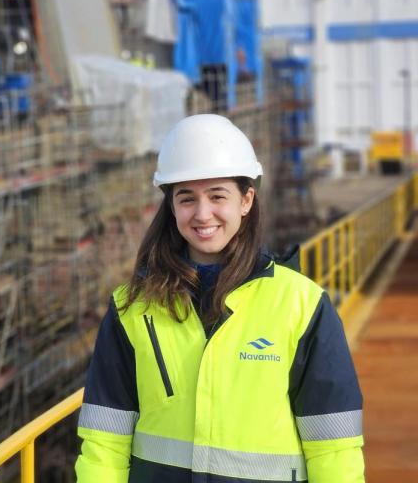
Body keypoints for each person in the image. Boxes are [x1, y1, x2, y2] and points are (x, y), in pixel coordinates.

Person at [74, 114, 364, 482]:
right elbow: (103, 443)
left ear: (246, 200)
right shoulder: (132, 309)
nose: (202, 213)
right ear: (172, 206)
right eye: (186, 198)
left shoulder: (301, 305)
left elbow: (334, 447)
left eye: (217, 196)